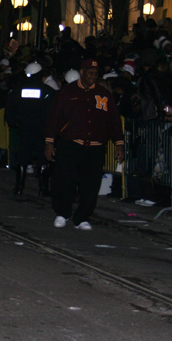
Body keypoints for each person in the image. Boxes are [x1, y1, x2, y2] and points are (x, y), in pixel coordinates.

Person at [44, 58, 125, 230]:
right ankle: (62, 213)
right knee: (65, 180)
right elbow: (54, 119)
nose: (93, 76)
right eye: (90, 73)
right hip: (71, 143)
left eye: (95, 74)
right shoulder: (67, 92)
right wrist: (49, 142)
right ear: (82, 72)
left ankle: (82, 217)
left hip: (95, 147)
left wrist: (119, 144)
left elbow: (114, 121)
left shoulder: (104, 94)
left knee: (91, 183)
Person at [5, 61, 57, 197]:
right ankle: (43, 188)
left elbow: (10, 107)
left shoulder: (18, 89)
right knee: (42, 158)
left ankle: (19, 187)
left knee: (23, 157)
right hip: (42, 129)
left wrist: (13, 122)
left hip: (24, 128)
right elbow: (54, 110)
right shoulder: (47, 91)